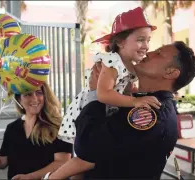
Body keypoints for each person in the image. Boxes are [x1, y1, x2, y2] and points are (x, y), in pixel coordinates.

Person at [44, 41, 195, 179]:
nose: (149, 52)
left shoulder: (151, 112)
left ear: (170, 72)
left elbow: (87, 147)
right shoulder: (137, 100)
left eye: (159, 54)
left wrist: (95, 93)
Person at [58, 7, 161, 144]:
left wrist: (132, 93)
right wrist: (135, 102)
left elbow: (122, 90)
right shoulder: (112, 61)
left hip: (103, 113)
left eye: (148, 40)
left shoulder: (131, 65)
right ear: (120, 42)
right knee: (84, 158)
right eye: (140, 40)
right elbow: (103, 94)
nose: (146, 46)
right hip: (87, 111)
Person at [0, 82, 73, 180]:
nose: (35, 98)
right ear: (19, 99)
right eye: (28, 94)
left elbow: (62, 162)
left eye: (39, 93)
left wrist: (30, 177)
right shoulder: (12, 129)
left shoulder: (58, 125)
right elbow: (1, 161)